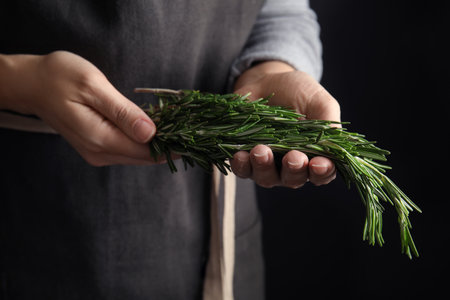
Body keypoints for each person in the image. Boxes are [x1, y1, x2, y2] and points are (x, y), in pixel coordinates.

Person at [0, 0, 340, 299]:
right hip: (38, 225)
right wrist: (20, 83)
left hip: (219, 224)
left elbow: (280, 11)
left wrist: (272, 70)